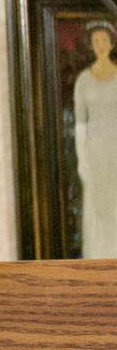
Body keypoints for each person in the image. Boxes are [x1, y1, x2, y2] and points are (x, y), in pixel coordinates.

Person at [75, 23, 117, 257]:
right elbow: (80, 123)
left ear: (111, 43)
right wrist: (83, 160)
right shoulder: (83, 80)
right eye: (96, 41)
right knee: (98, 204)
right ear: (91, 46)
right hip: (95, 150)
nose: (100, 45)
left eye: (104, 40)